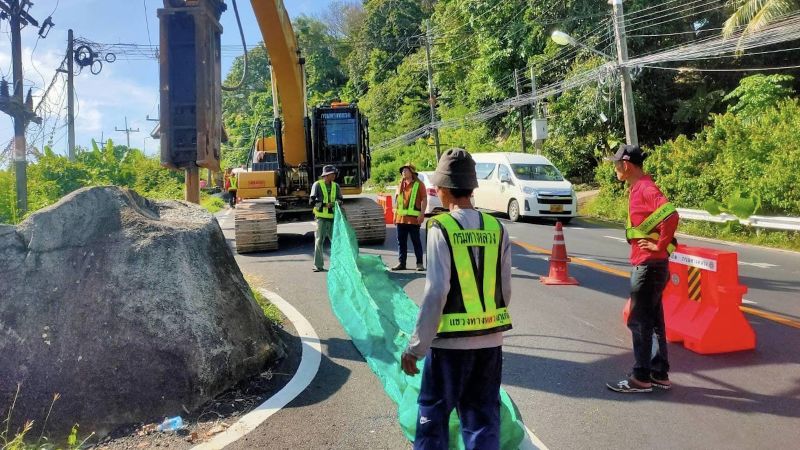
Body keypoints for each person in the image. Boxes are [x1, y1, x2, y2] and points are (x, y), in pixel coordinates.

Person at [401, 148, 512, 450]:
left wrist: (416, 347)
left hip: (449, 346)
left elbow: (436, 292)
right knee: (482, 419)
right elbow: (505, 291)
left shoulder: (442, 228)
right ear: (471, 187)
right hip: (490, 343)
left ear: (444, 189)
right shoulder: (496, 228)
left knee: (433, 417)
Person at [606, 144, 679, 393]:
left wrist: (660, 245)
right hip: (654, 266)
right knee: (654, 321)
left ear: (626, 165)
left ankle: (641, 377)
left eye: (616, 164)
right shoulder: (639, 187)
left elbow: (670, 215)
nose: (614, 168)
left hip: (648, 266)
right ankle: (658, 373)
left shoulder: (645, 188)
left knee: (639, 322)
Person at [392, 162, 427, 271]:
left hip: (413, 220)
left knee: (416, 242)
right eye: (402, 171)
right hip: (400, 219)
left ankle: (419, 263)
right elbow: (397, 200)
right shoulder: (400, 184)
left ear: (411, 172)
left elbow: (424, 199)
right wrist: (394, 215)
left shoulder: (419, 184)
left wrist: (422, 214)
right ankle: (402, 263)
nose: (403, 172)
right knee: (401, 242)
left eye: (405, 170)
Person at [309, 165, 343, 272]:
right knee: (319, 241)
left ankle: (339, 264)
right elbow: (311, 201)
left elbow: (341, 200)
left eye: (334, 174)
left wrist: (336, 203)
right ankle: (318, 265)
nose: (334, 176)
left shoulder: (336, 186)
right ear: (326, 175)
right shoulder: (317, 185)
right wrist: (324, 205)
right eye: (332, 174)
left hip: (333, 218)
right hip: (321, 218)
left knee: (336, 242)